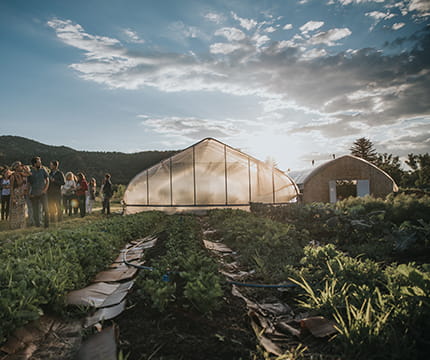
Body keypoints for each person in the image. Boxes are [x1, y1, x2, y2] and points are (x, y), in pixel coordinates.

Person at [28, 156, 49, 228]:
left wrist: (45, 190)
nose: (40, 163)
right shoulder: (30, 172)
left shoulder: (43, 170)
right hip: (34, 193)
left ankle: (46, 225)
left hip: (43, 193)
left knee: (46, 209)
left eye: (40, 161)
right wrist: (29, 193)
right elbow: (28, 183)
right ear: (34, 163)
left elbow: (47, 180)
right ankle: (37, 225)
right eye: (38, 162)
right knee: (35, 210)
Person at [9, 161, 31, 229]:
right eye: (20, 166)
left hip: (21, 194)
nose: (21, 167)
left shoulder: (22, 174)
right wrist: (13, 198)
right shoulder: (12, 176)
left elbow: (29, 174)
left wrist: (25, 169)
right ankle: (15, 226)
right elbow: (11, 187)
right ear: (16, 168)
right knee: (15, 210)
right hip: (16, 193)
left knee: (22, 209)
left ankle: (22, 225)